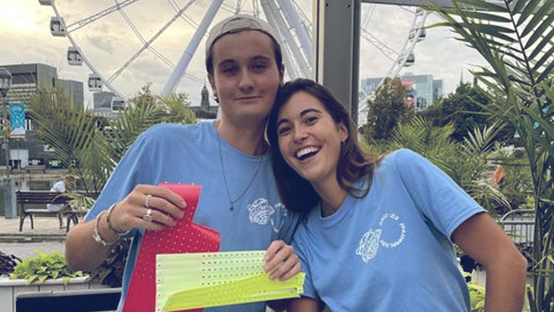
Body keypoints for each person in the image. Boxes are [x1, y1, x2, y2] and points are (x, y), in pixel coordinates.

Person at [65, 15, 300, 312]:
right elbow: (76, 257)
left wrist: (286, 270)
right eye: (229, 70)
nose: (246, 81)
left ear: (280, 73)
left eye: (258, 66)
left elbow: (280, 301)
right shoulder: (162, 145)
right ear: (213, 83)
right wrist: (116, 219)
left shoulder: (290, 175)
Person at [267, 78, 528, 312]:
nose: (299, 135)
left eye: (310, 119)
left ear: (342, 130)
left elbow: (506, 261)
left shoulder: (401, 172)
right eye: (285, 129)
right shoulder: (306, 240)